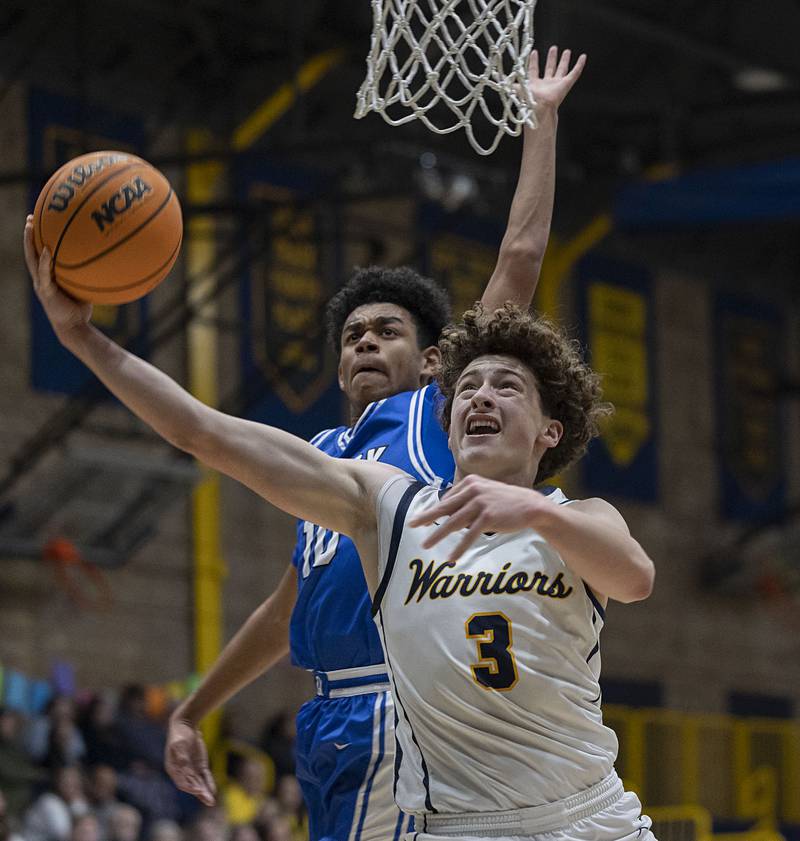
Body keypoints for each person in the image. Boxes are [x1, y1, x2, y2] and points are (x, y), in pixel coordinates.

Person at [26, 205, 657, 841]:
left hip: (587, 818)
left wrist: (534, 511)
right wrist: (81, 337)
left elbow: (635, 577)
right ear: (446, 419)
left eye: (507, 387)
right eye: (468, 387)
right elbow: (203, 431)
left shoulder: (578, 516)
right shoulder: (387, 507)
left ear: (550, 430)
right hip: (453, 821)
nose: (481, 396)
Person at [161, 47, 587, 841]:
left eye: (387, 330)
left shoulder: (435, 414)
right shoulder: (324, 451)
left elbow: (520, 262)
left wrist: (541, 121)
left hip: (402, 701)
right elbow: (287, 610)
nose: (364, 340)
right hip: (330, 716)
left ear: (431, 360)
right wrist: (194, 707)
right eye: (353, 334)